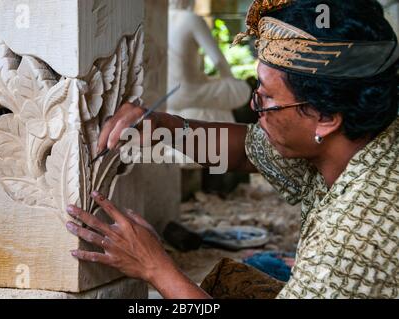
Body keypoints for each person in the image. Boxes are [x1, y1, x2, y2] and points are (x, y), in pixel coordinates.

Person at [65, 0, 399, 299]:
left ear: (325, 117)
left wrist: (156, 268)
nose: (255, 106)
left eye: (267, 98)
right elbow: (244, 151)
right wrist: (166, 127)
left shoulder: (355, 238)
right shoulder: (354, 141)